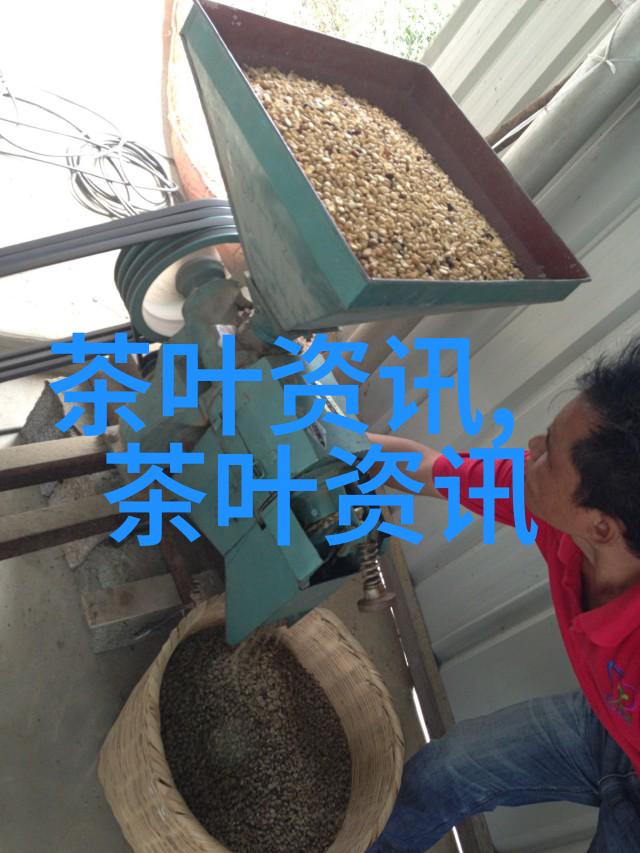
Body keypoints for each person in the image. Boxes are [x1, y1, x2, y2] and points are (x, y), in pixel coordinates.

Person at [365, 339, 640, 852]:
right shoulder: (559, 514)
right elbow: (434, 469)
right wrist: (333, 447)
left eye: (549, 454)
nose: (531, 447)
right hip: (612, 723)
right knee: (445, 771)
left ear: (601, 526)